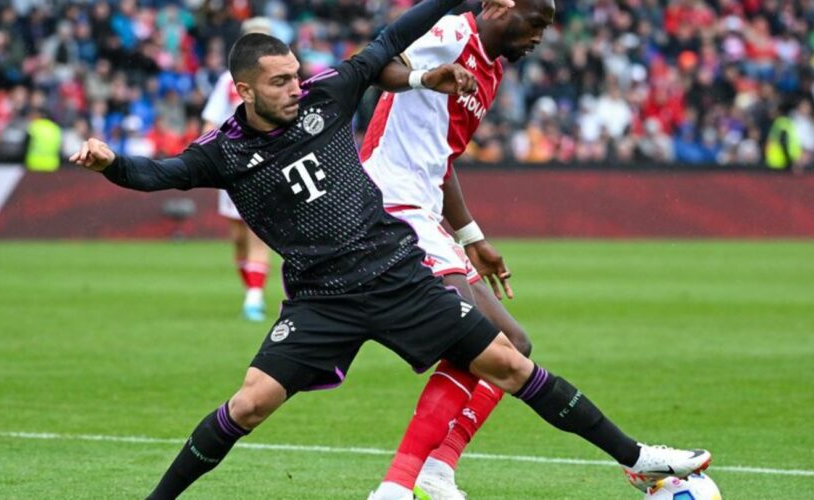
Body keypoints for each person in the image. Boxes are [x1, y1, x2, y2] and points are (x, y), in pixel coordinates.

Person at [69, 0, 711, 498]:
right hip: (322, 299)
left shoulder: (328, 96)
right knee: (249, 404)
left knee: (512, 365)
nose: (297, 86)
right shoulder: (225, 152)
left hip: (397, 274)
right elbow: (159, 173)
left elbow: (385, 42)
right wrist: (110, 163)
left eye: (296, 74)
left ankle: (637, 460)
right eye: (280, 82)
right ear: (244, 91)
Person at [360, 1, 543, 496]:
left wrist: (471, 237)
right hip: (389, 198)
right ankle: (396, 487)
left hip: (425, 210)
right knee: (472, 336)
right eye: (536, 23)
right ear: (502, 7)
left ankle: (438, 468)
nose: (540, 37)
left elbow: (442, 158)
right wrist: (424, 77)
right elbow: (376, 65)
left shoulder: (491, 70)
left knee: (515, 346)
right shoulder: (450, 31)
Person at [202, 17, 276, 321]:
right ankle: (251, 290)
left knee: (256, 232)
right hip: (234, 165)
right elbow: (211, 120)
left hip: (266, 165)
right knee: (237, 238)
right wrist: (205, 153)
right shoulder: (227, 82)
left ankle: (254, 298)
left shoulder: (280, 78)